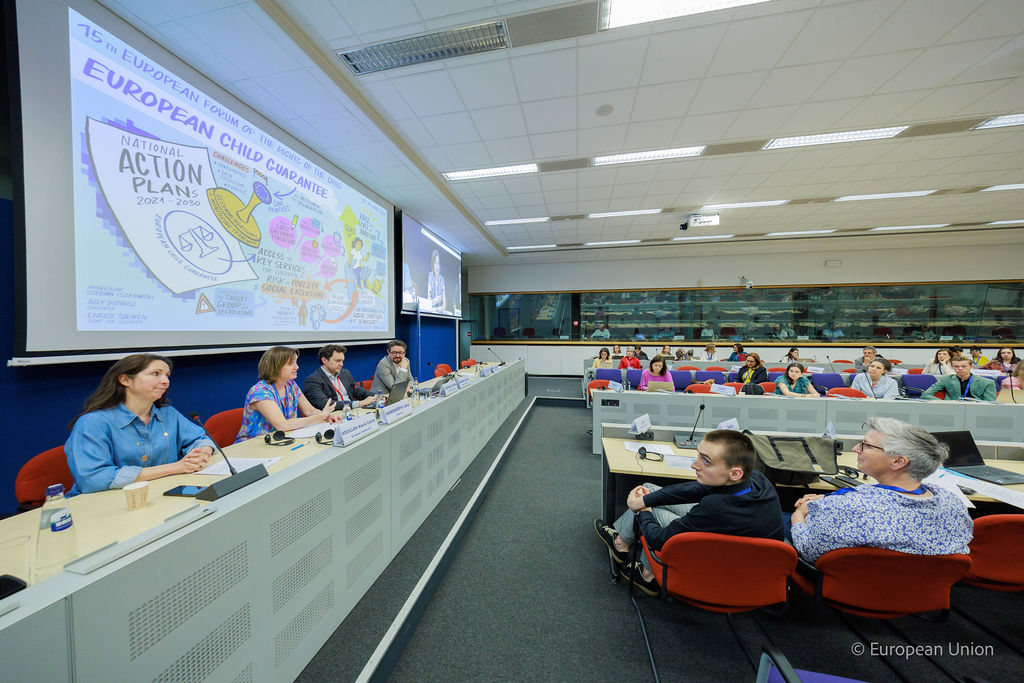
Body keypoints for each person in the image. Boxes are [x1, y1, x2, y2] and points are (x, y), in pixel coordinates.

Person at [593, 430, 784, 595]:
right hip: (752, 567)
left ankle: (647, 575)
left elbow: (658, 539)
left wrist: (643, 510)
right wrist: (645, 500)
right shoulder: (757, 480)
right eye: (698, 455)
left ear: (734, 473)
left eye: (706, 461)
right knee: (649, 490)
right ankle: (621, 542)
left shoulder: (713, 508)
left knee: (653, 511)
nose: (694, 464)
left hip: (719, 569)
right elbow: (697, 489)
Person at [789, 417, 973, 563]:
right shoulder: (953, 504)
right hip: (925, 591)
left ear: (898, 461)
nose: (855, 449)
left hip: (854, 589)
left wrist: (800, 514)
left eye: (866, 445)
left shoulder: (849, 508)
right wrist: (829, 500)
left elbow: (808, 549)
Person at [65, 354, 215, 494]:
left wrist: (202, 452)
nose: (165, 381)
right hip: (105, 502)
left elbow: (201, 439)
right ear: (125, 380)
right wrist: (175, 467)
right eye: (156, 374)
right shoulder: (93, 423)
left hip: (159, 493)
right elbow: (93, 479)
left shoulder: (168, 413)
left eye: (167, 375)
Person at [237, 347, 339, 442]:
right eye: (291, 364)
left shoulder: (290, 385)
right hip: (254, 445)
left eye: (296, 362)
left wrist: (326, 416)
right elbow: (282, 425)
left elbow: (309, 410)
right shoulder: (260, 392)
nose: (297, 367)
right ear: (275, 367)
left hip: (282, 440)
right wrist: (320, 416)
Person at [303, 344, 374, 410]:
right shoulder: (312, 381)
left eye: (342, 361)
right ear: (324, 360)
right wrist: (358, 403)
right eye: (338, 361)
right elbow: (325, 403)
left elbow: (358, 390)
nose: (341, 364)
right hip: (333, 415)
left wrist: (377, 396)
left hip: (351, 412)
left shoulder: (345, 373)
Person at [922, 357, 997, 401]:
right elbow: (926, 394)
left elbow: (990, 402)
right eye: (956, 366)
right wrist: (943, 403)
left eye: (963, 366)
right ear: (952, 367)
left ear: (971, 367)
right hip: (952, 408)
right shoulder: (946, 379)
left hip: (976, 409)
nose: (960, 368)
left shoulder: (987, 382)